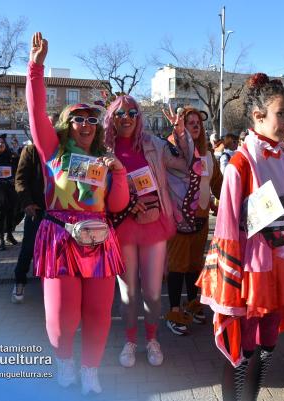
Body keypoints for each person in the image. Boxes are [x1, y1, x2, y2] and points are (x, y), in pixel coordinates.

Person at [197, 73, 284, 401]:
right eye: (281, 114)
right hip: (251, 272)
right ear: (258, 115)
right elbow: (227, 229)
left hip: (282, 264)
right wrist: (230, 283)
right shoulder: (241, 163)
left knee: (266, 346)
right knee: (241, 350)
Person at [26, 32, 130, 395]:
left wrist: (118, 172)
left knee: (100, 313)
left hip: (100, 241)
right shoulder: (53, 152)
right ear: (66, 125)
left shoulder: (104, 160)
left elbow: (116, 207)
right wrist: (35, 68)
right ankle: (64, 362)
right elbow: (36, 112)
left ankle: (90, 370)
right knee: (62, 316)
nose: (85, 125)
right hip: (59, 239)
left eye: (91, 120)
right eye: (77, 119)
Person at [103, 95, 188, 368]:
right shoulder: (103, 149)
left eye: (132, 113)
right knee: (129, 294)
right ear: (111, 118)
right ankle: (130, 341)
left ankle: (152, 339)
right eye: (120, 113)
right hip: (121, 225)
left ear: (139, 117)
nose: (126, 118)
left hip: (153, 222)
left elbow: (185, 164)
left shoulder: (153, 144)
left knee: (152, 293)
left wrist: (181, 134)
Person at [165, 108, 222, 335]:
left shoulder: (208, 155)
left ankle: (193, 303)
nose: (195, 125)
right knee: (177, 266)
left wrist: (231, 201)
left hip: (201, 219)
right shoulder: (172, 155)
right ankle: (174, 311)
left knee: (194, 265)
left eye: (197, 122)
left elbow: (218, 184)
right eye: (189, 122)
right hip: (178, 220)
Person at [11, 140, 45, 303]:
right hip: (37, 209)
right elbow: (20, 180)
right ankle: (19, 281)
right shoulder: (31, 150)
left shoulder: (65, 148)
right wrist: (27, 202)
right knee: (29, 247)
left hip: (60, 210)